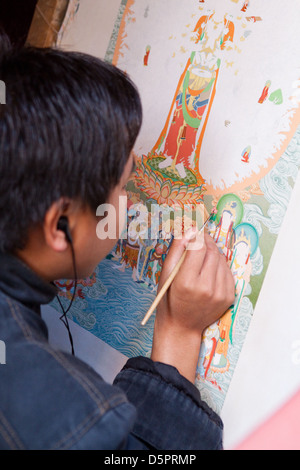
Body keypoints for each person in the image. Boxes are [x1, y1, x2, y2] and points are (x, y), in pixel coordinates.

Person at [0, 38, 235, 450]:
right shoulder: (59, 411)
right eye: (123, 186)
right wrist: (179, 332)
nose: (128, 205)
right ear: (61, 228)